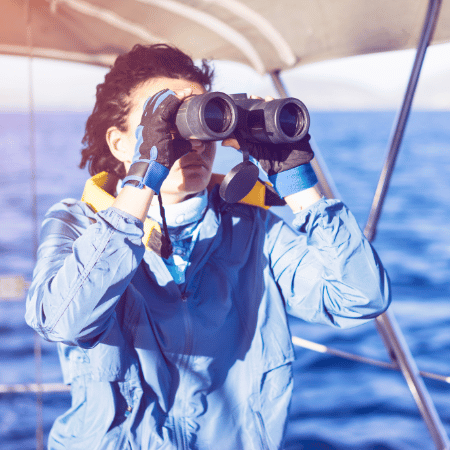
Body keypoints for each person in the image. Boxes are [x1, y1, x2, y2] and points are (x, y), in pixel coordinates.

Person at [25, 43, 391, 450]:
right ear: (120, 144)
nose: (194, 143)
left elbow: (360, 297)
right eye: (168, 125)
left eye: (202, 120)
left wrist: (298, 184)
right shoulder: (76, 224)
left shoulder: (251, 227)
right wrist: (145, 174)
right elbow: (61, 321)